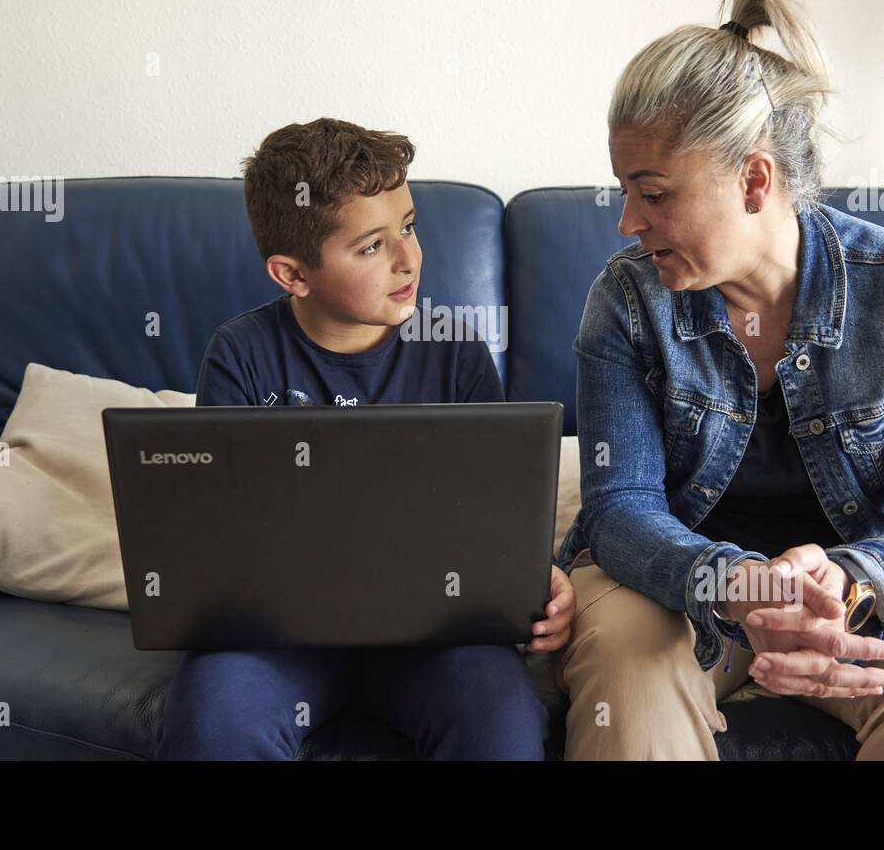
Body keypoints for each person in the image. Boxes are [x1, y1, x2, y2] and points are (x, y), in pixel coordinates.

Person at [555, 0, 884, 760]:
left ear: (755, 179)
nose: (628, 222)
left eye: (653, 193)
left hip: (860, 594)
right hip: (675, 584)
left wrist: (844, 582)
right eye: (624, 191)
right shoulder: (626, 300)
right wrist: (737, 583)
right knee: (631, 667)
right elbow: (620, 507)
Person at [156, 117, 573, 760]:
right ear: (293, 274)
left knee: (503, 726)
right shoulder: (240, 355)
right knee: (213, 724)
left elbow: (493, 515)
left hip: (433, 636)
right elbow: (221, 535)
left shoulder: (455, 352)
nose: (409, 259)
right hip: (279, 639)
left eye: (408, 226)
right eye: (372, 246)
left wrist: (533, 578)